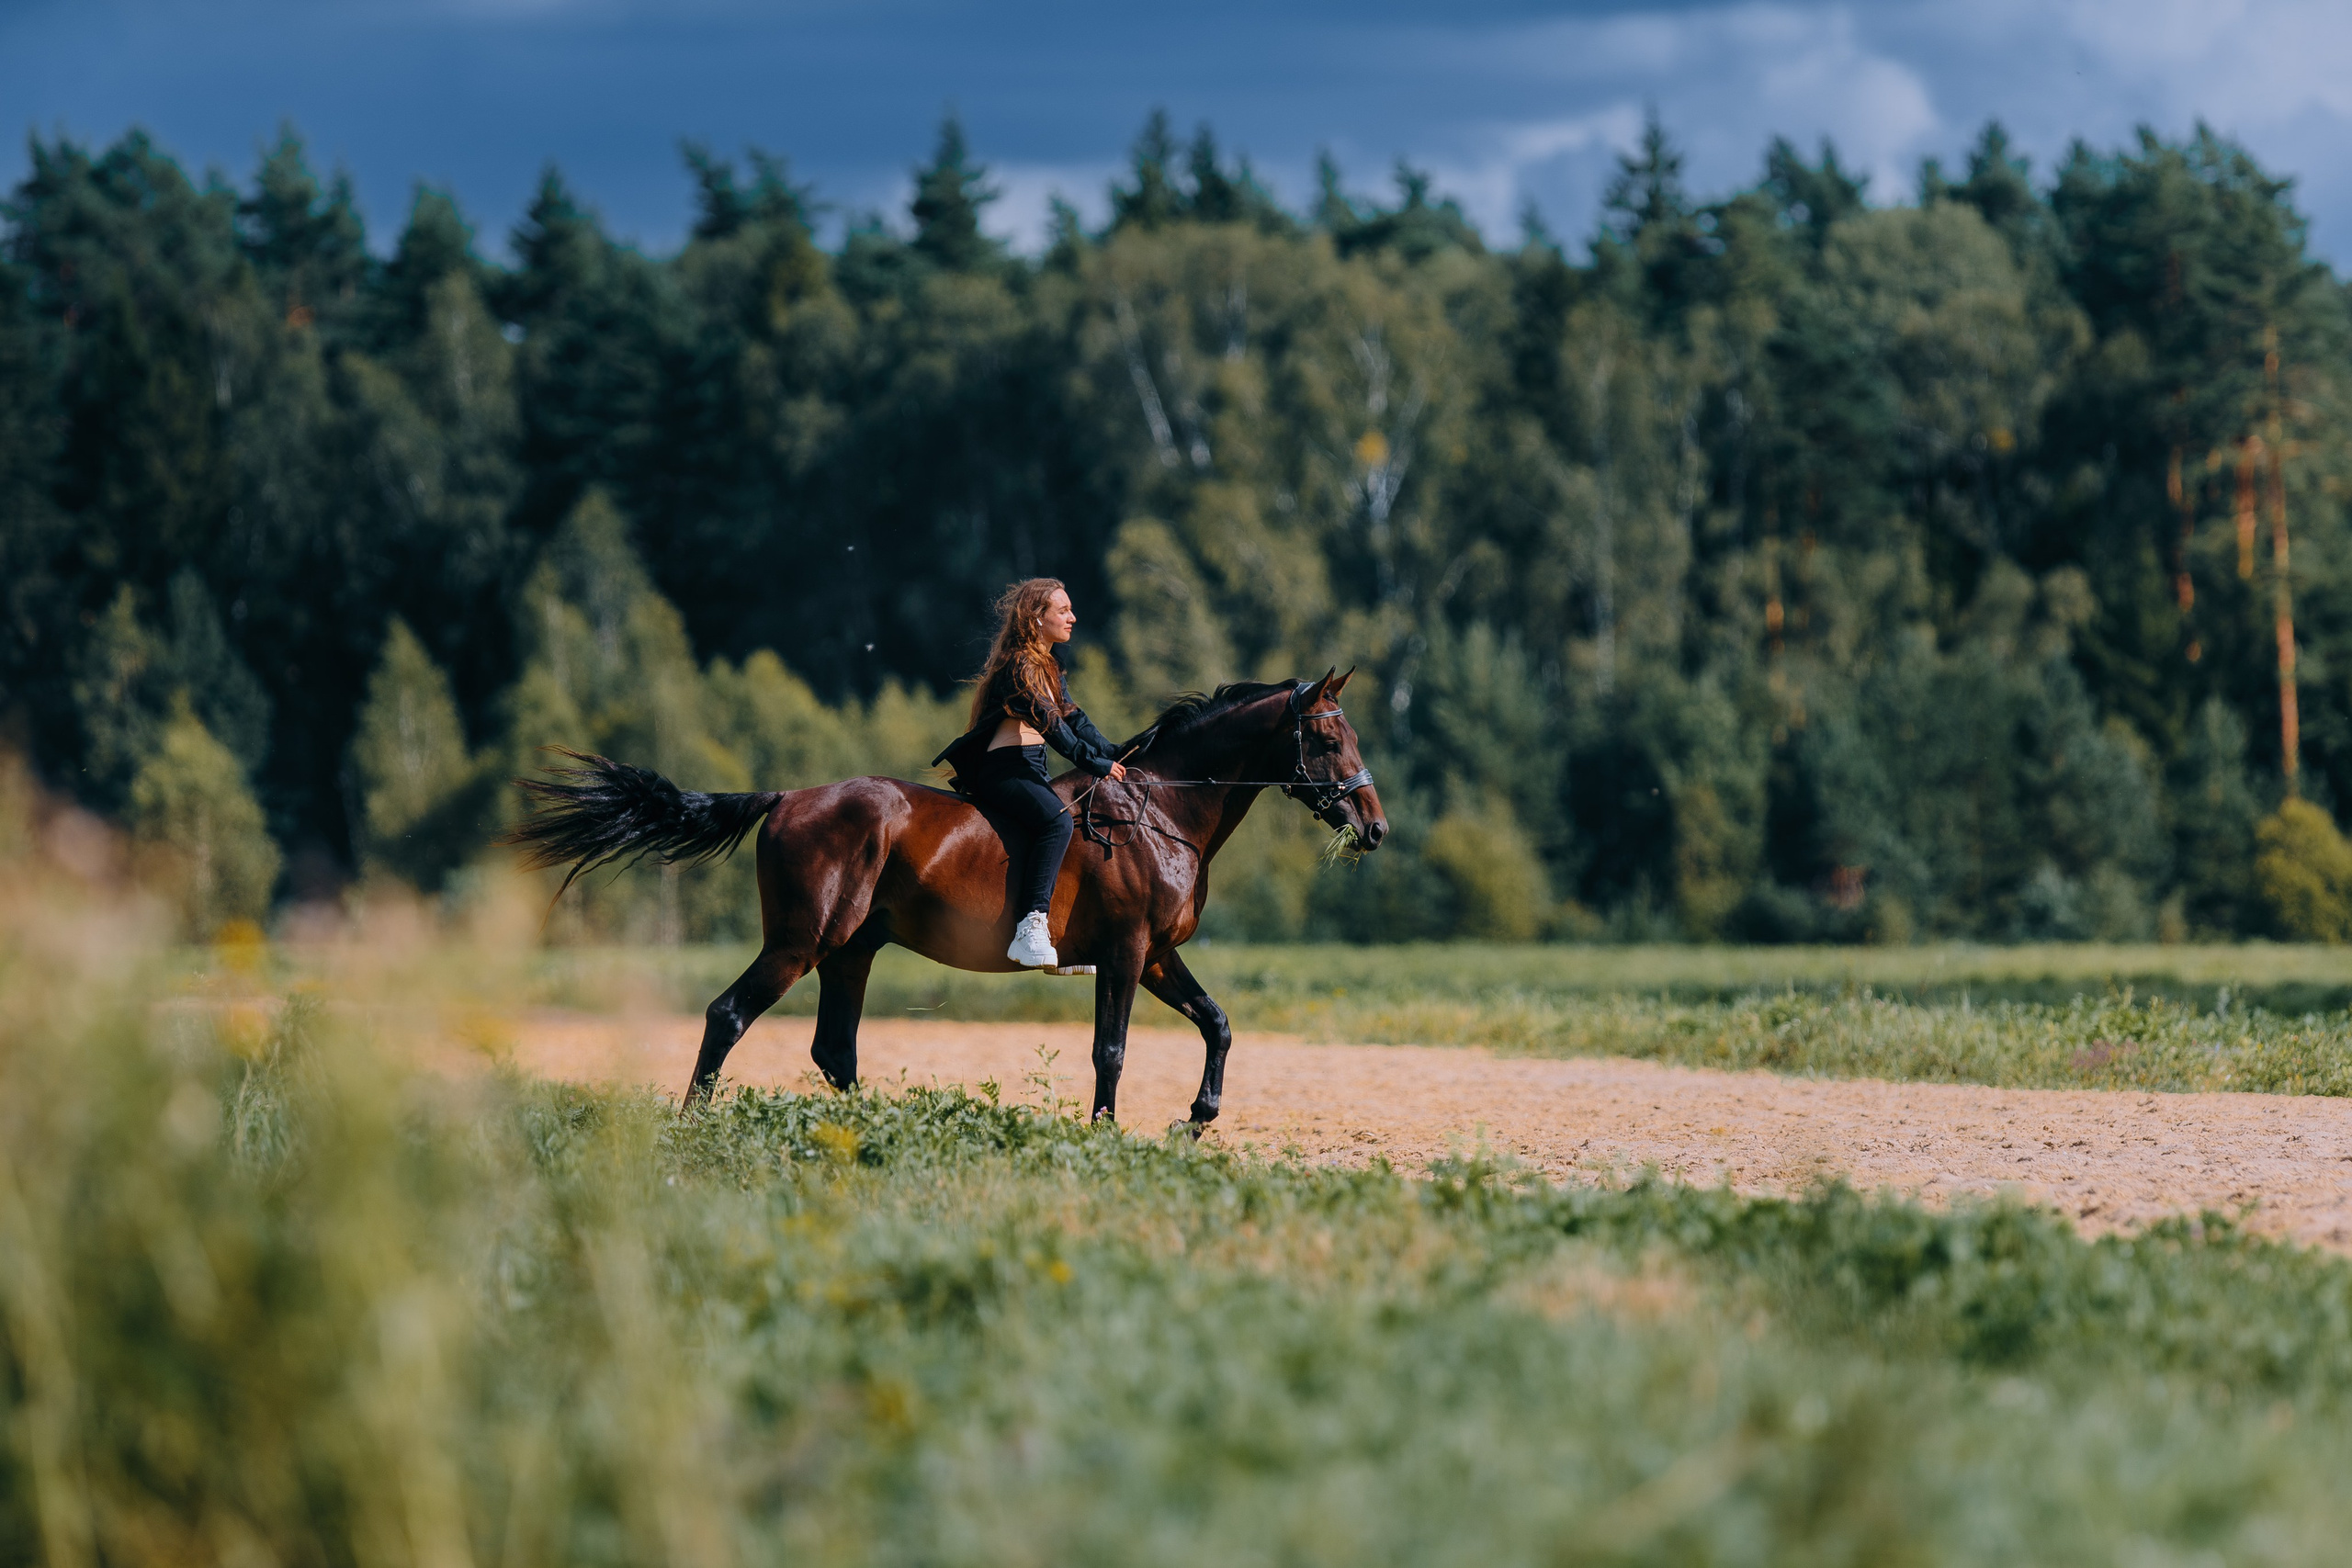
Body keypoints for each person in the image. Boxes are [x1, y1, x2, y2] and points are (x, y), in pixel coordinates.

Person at [931, 578, 1128, 968]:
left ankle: (1058, 933)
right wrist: (1096, 765)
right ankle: (1029, 928)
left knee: (1074, 826)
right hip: (1003, 769)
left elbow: (1077, 720)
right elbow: (1054, 728)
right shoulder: (1020, 666)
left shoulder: (1050, 665)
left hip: (1030, 767)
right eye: (1063, 610)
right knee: (1058, 825)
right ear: (1037, 618)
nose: (1073, 617)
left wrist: (1117, 751)